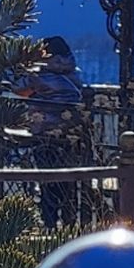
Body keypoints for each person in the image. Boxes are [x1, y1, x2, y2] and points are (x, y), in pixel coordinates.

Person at [13, 36, 84, 228]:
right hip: (71, 132)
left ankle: (49, 224)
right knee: (68, 179)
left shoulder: (39, 74)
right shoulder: (74, 73)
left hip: (44, 132)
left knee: (47, 179)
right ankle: (70, 222)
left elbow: (18, 88)